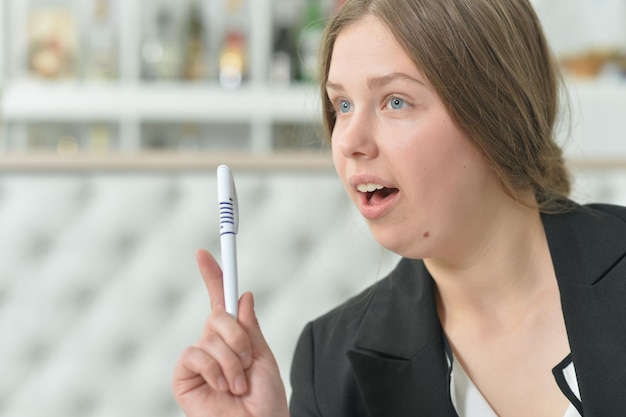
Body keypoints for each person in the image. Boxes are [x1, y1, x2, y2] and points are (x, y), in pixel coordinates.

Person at [172, 0, 626, 416]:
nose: (347, 140)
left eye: (394, 101)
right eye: (342, 105)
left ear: (496, 113)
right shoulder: (330, 366)